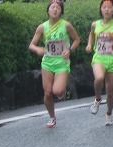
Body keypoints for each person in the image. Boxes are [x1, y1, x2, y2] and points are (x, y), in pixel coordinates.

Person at [28, 0, 80, 128]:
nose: (55, 9)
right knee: (47, 93)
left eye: (58, 8)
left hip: (62, 62)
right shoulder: (42, 27)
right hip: (47, 63)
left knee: (57, 91)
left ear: (61, 11)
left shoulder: (66, 25)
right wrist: (37, 49)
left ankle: (63, 91)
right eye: (53, 7)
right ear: (48, 10)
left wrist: (70, 50)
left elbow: (77, 40)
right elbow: (31, 45)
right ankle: (52, 117)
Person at [85, 0, 113, 126]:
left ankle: (109, 113)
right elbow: (92, 34)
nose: (107, 10)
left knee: (110, 92)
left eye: (109, 7)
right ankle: (98, 99)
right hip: (99, 57)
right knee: (98, 78)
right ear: (101, 9)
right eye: (104, 7)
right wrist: (89, 45)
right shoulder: (95, 24)